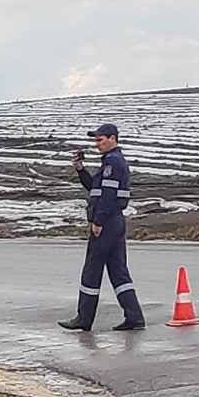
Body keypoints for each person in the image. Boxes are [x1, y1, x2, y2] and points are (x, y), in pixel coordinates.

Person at [60, 123, 145, 332]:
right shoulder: (111, 162)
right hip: (115, 222)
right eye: (96, 140)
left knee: (92, 270)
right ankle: (134, 317)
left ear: (113, 139)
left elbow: (107, 197)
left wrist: (98, 222)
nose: (97, 144)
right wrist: (80, 170)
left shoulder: (113, 163)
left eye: (100, 140)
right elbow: (95, 188)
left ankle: (84, 318)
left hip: (107, 223)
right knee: (118, 271)